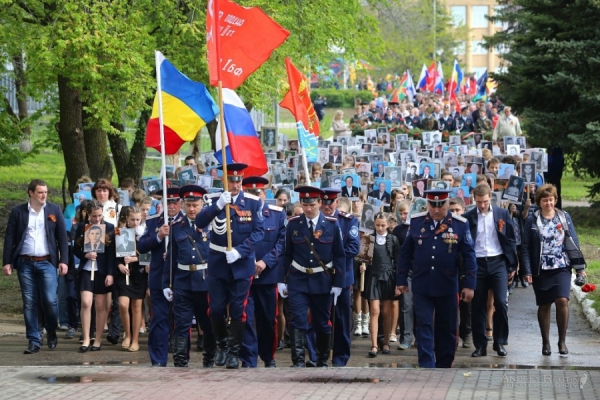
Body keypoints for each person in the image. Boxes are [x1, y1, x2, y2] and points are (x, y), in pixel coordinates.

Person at [396, 190, 477, 368]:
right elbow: (405, 253)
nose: (437, 209)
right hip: (422, 283)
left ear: (447, 205)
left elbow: (469, 256)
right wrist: (401, 279)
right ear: (428, 205)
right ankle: (427, 365)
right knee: (424, 325)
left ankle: (444, 364)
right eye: (433, 205)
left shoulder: (459, 224)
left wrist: (470, 284)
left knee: (446, 327)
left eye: (441, 205)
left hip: (447, 284)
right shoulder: (417, 222)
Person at [195, 163, 264, 369]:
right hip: (217, 262)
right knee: (215, 310)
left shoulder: (252, 202)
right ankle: (222, 345)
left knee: (238, 310)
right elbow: (199, 222)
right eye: (231, 180)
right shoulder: (214, 199)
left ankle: (234, 353)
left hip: (241, 264)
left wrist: (240, 251)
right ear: (224, 180)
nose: (234, 184)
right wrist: (217, 206)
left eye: (238, 180)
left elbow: (259, 231)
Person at [277, 186, 346, 367]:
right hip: (298, 279)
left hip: (322, 280)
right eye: (305, 204)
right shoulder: (293, 224)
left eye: (312, 204)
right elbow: (286, 254)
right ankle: (298, 361)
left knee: (322, 322)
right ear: (301, 203)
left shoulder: (331, 224)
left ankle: (322, 360)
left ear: (320, 203)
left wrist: (339, 283)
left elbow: (339, 255)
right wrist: (281, 280)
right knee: (298, 320)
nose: (309, 209)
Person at [2, 179, 69, 354]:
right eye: (40, 192)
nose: (44, 195)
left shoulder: (54, 210)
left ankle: (51, 330)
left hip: (47, 262)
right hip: (25, 262)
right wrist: (7, 261)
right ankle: (34, 339)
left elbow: (62, 237)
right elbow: (9, 237)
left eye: (45, 192)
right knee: (29, 302)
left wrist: (64, 261)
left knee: (49, 300)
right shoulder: (18, 212)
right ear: (31, 193)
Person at [521, 184, 584, 356]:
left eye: (551, 200)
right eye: (544, 200)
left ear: (555, 200)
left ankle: (562, 342)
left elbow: (573, 241)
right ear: (539, 202)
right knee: (544, 304)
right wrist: (526, 271)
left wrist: (579, 268)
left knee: (562, 300)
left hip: (561, 266)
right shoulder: (532, 220)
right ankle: (546, 342)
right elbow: (525, 246)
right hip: (540, 268)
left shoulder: (564, 217)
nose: (548, 203)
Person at [162, 185, 216, 367]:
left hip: (205, 281)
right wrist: (166, 284)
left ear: (202, 204)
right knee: (182, 324)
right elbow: (171, 257)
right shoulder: (177, 226)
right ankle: (180, 361)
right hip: (183, 282)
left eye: (195, 205)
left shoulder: (213, 225)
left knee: (207, 324)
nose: (192, 209)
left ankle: (209, 359)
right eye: (188, 205)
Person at [306, 191, 359, 367]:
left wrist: (331, 256)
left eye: (331, 203)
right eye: (324, 202)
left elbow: (353, 248)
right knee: (318, 318)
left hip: (342, 276)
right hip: (320, 277)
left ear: (336, 202)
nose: (327, 206)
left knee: (341, 319)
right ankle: (316, 356)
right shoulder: (314, 220)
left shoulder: (347, 220)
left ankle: (340, 358)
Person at [463, 184, 518, 358]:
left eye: (485, 201)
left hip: (498, 261)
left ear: (490, 198)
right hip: (477, 264)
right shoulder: (468, 217)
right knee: (477, 305)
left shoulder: (501, 214)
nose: (482, 205)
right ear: (474, 200)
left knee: (501, 302)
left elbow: (510, 239)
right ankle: (480, 345)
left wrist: (512, 265)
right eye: (479, 202)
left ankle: (500, 341)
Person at [238, 177, 286, 368]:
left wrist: (266, 261)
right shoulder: (238, 213)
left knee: (268, 318)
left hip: (267, 275)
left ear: (264, 194)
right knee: (246, 318)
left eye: (257, 192)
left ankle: (268, 356)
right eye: (250, 192)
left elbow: (282, 242)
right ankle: (249, 358)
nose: (254, 196)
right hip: (244, 274)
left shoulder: (277, 214)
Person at [137, 188, 183, 367]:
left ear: (180, 203)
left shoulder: (186, 222)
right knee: (160, 319)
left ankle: (181, 359)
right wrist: (158, 236)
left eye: (175, 202)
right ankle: (158, 360)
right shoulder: (153, 222)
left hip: (180, 277)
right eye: (168, 202)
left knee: (181, 320)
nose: (171, 206)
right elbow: (141, 246)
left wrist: (174, 255)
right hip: (158, 277)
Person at [73, 200, 116, 352]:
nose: (97, 219)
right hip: (86, 269)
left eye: (99, 216)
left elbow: (112, 254)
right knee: (86, 302)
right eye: (94, 216)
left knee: (100, 305)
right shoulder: (81, 227)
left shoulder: (110, 228)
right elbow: (75, 249)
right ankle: (85, 338)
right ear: (88, 214)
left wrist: (110, 274)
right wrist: (85, 254)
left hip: (102, 271)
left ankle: (97, 339)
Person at [364, 212, 401, 357]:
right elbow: (362, 258)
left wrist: (399, 282)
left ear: (388, 225)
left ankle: (385, 342)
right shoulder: (368, 238)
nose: (380, 228)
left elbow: (398, 261)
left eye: (383, 225)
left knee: (386, 312)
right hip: (373, 276)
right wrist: (362, 265)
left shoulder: (393, 239)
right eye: (378, 225)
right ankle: (373, 344)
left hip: (388, 276)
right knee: (374, 310)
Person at [114, 206, 147, 353]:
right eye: (132, 219)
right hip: (124, 274)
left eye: (138, 220)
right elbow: (112, 254)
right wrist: (119, 264)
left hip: (139, 275)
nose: (135, 222)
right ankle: (127, 334)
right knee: (122, 304)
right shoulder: (119, 232)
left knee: (137, 307)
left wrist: (136, 258)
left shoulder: (146, 234)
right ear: (127, 218)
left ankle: (135, 339)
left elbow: (149, 255)